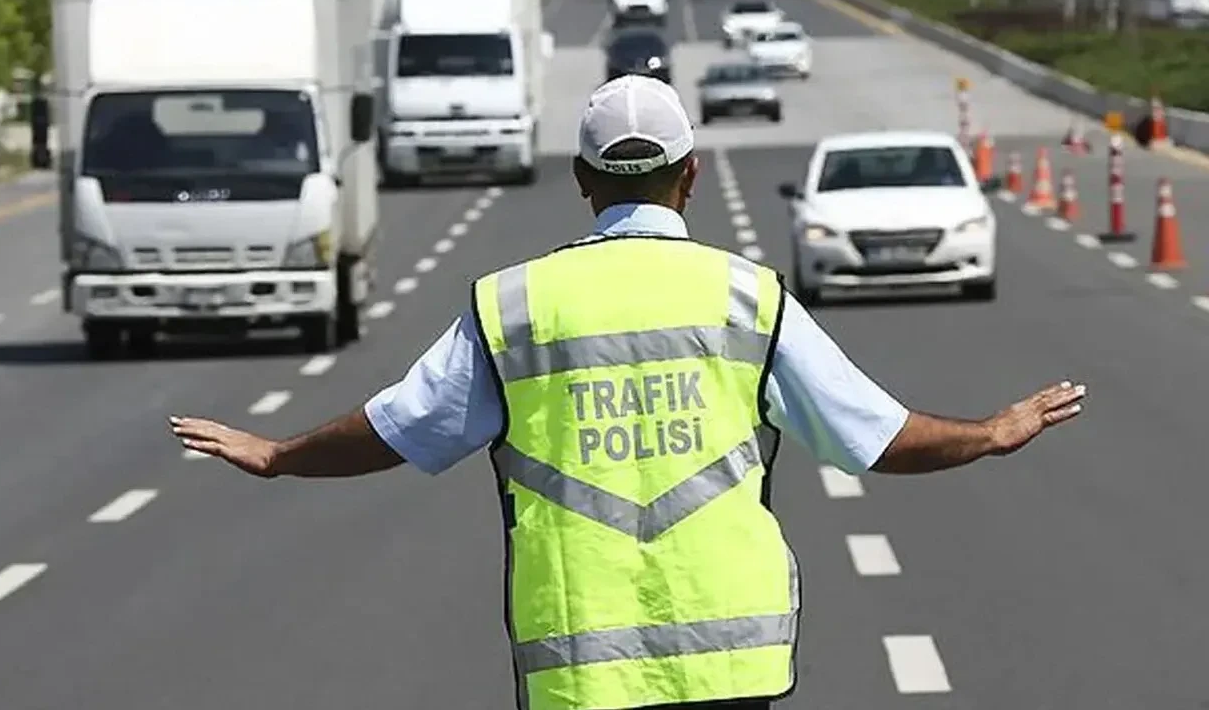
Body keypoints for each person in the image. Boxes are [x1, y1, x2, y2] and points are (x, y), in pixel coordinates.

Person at [170, 75, 1087, 710]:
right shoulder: (747, 296)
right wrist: (992, 431)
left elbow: (400, 429)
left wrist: (278, 456)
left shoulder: (515, 305)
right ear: (689, 176)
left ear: (581, 182)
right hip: (734, 659)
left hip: (580, 663)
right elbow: (875, 438)